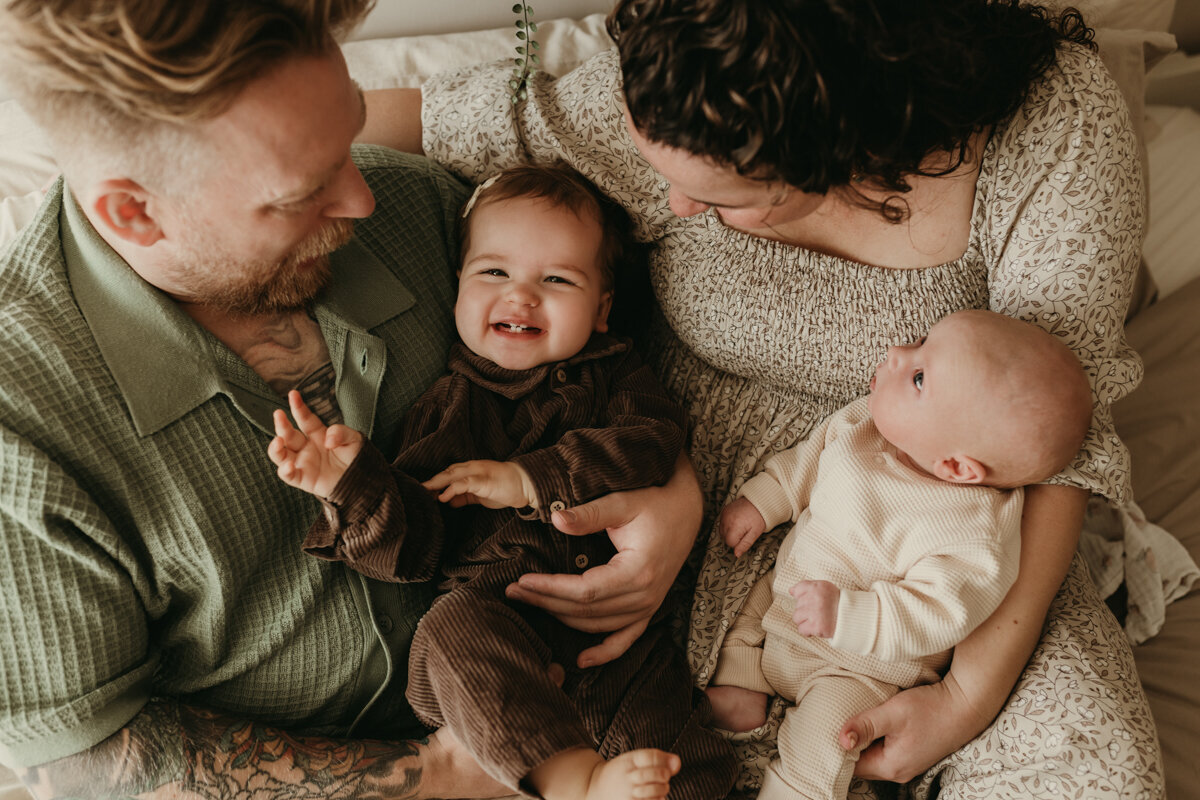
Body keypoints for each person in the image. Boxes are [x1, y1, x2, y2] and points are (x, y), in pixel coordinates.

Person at [362, 0, 1161, 795]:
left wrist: (961, 699)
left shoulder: (1059, 126)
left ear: (857, 143)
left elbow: (1064, 444)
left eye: (726, 196)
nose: (673, 206)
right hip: (667, 546)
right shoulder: (692, 65)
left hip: (940, 558)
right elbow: (441, 117)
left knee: (1094, 771)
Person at [0, 2, 704, 797]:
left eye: (351, 139)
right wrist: (444, 775)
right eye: (303, 191)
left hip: (602, 708)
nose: (363, 198)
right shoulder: (19, 432)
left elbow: (611, 361)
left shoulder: (423, 213)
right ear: (135, 211)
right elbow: (86, 760)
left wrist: (672, 496)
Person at [267, 162, 736, 800]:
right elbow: (417, 548)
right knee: (447, 630)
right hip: (495, 633)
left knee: (684, 764)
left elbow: (652, 445)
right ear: (458, 289)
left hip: (617, 653)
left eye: (557, 279)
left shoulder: (615, 374)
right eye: (495, 272)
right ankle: (571, 780)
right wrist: (351, 486)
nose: (520, 296)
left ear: (601, 310)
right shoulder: (449, 406)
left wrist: (530, 480)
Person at [703, 309, 1092, 799]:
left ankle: (794, 790)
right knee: (742, 605)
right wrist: (765, 501)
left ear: (956, 466)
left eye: (920, 376)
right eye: (921, 343)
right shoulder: (864, 423)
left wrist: (848, 614)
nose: (897, 353)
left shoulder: (976, 534)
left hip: (856, 668)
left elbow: (938, 612)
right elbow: (809, 457)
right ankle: (742, 685)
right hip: (787, 595)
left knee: (830, 735)